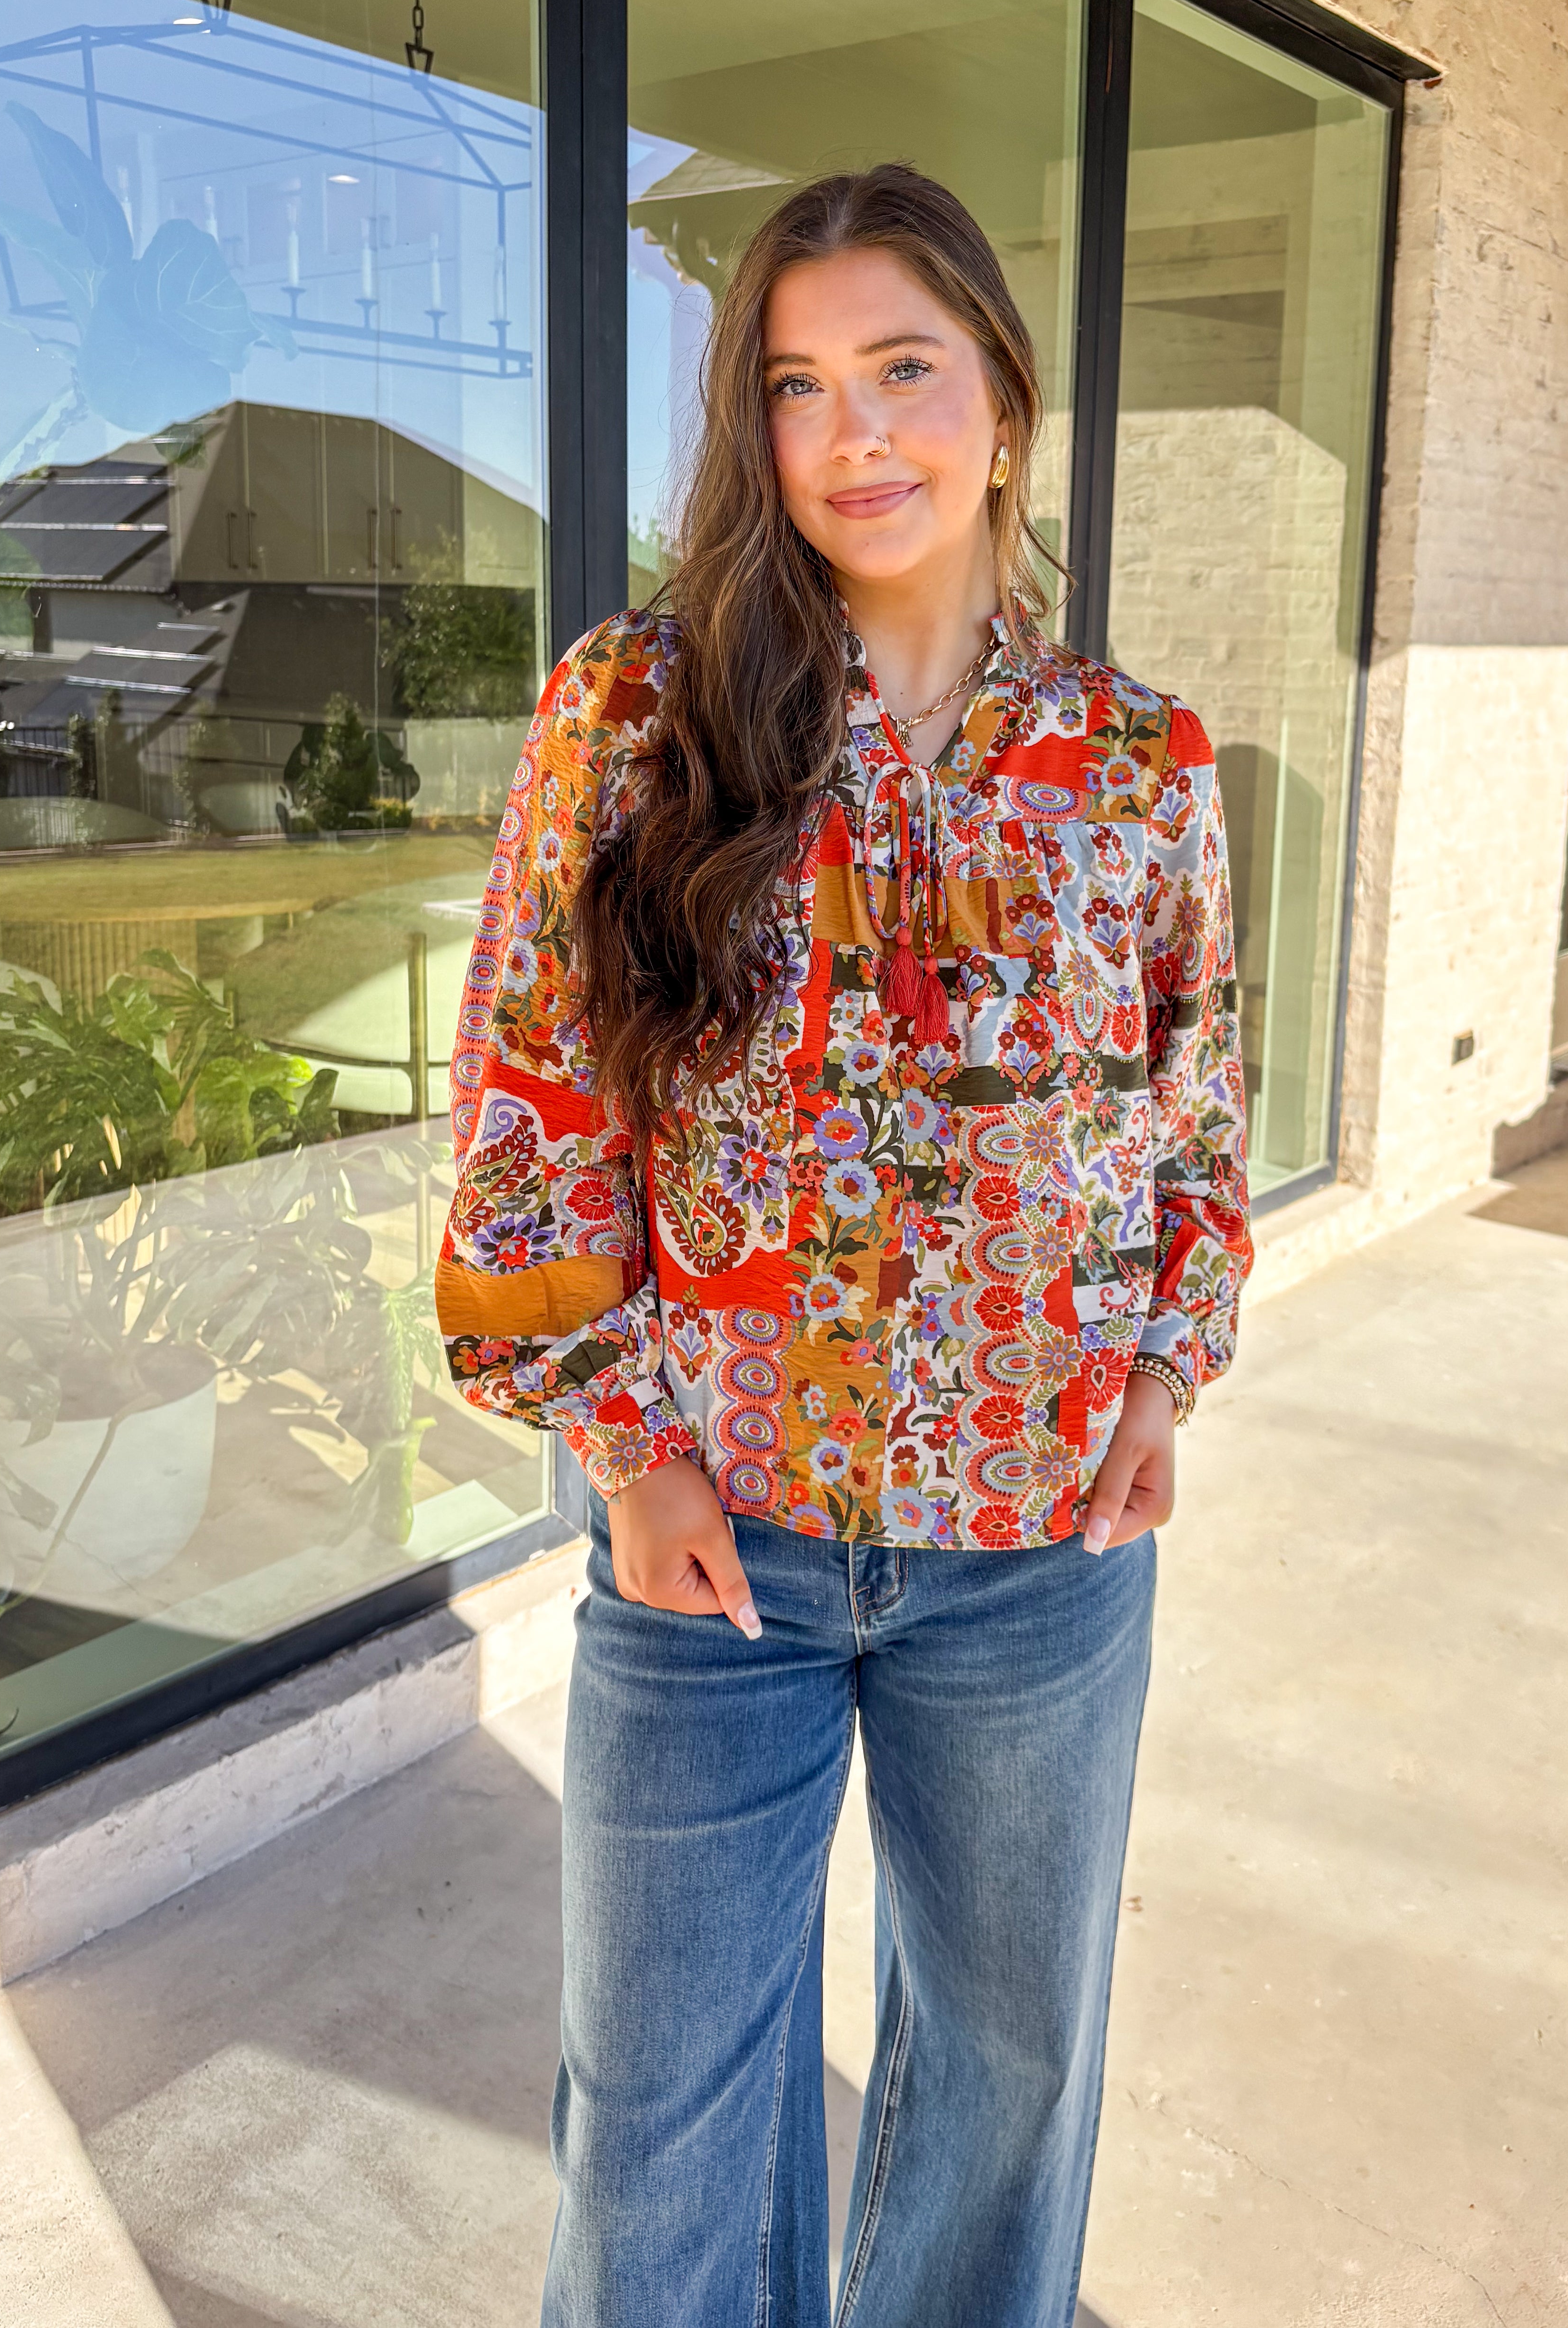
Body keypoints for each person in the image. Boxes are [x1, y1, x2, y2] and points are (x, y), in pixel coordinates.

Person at [438, 163, 1251, 2328]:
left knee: (1007, 2078)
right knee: (664, 2114)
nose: (853, 436)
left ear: (1001, 395)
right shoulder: (636, 714)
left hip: (1041, 1551)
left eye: (902, 369)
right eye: (796, 388)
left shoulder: (1136, 765)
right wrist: (625, 1452)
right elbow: (528, 1121)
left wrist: (1164, 1372)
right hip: (714, 1550)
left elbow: (1193, 1112)